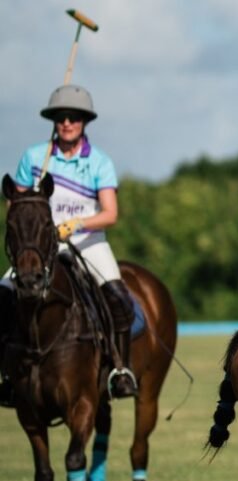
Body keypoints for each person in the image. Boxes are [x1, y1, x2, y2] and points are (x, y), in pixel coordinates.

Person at [0, 84, 137, 408]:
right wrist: (36, 220)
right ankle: (6, 377)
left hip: (87, 242)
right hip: (41, 246)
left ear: (84, 122)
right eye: (61, 117)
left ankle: (120, 370)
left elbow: (110, 213)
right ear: (54, 121)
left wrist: (75, 224)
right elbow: (15, 204)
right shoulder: (35, 157)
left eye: (73, 117)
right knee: (4, 295)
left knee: (117, 296)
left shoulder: (99, 162)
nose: (67, 123)